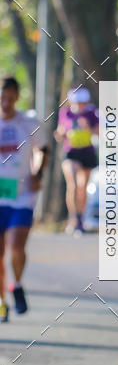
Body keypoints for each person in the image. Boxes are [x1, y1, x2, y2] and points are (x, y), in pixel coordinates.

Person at [0, 77, 48, 320]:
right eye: (2, 97)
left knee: (17, 247)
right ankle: (1, 303)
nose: (6, 102)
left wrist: (37, 173)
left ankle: (16, 284)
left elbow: (43, 149)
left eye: (10, 97)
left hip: (21, 196)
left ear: (17, 97)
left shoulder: (28, 123)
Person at [54, 87, 99, 234]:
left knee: (82, 187)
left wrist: (88, 127)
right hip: (71, 152)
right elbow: (60, 133)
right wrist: (60, 134)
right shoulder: (65, 113)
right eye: (76, 102)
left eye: (82, 102)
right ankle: (73, 219)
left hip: (87, 152)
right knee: (72, 185)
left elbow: (99, 132)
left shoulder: (91, 113)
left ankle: (80, 217)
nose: (79, 105)